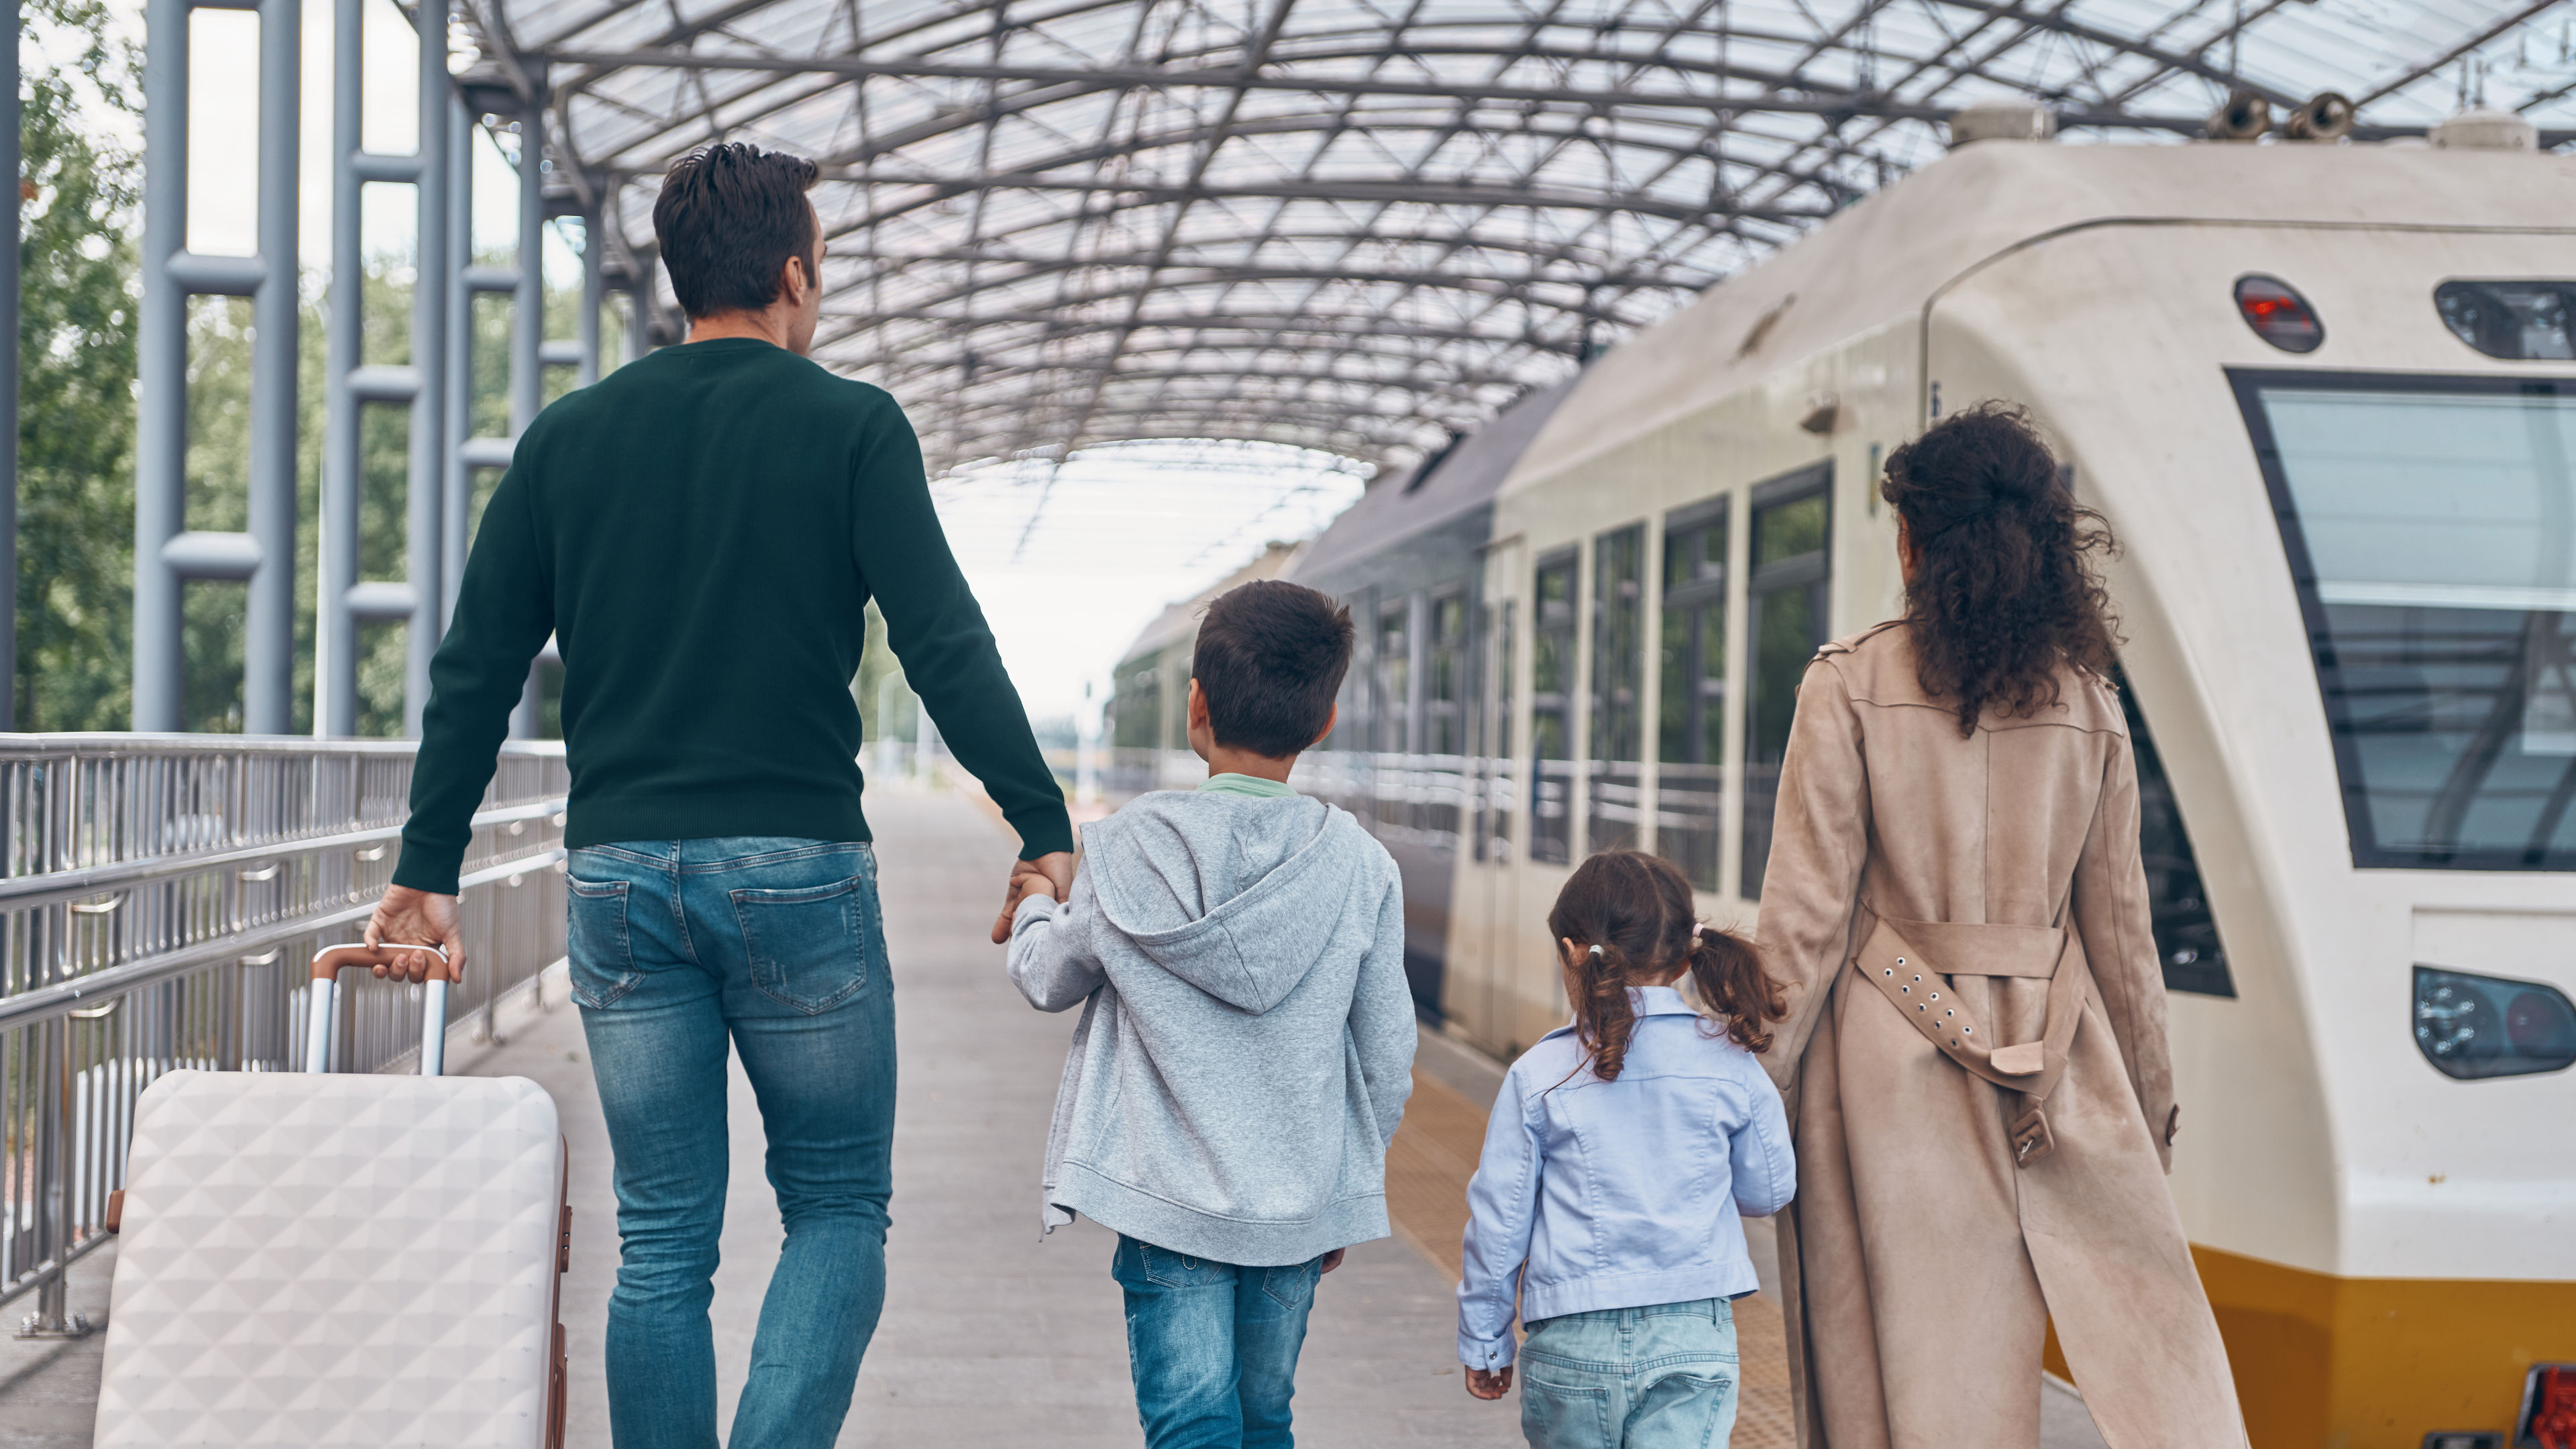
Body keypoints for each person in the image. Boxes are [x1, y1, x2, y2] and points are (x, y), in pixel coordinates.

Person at [363, 142, 1075, 1449]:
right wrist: (1042, 821)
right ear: (793, 275)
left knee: (662, 1240)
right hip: (798, 872)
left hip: (623, 879)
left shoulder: (568, 440)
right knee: (840, 1206)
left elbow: (475, 671)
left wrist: (428, 862)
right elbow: (944, 641)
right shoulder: (852, 426)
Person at [1755, 402, 2246, 1446]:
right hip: (2056, 1067)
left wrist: (1744, 1100)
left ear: (1912, 544)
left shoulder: (1846, 684)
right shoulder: (2091, 704)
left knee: (1897, 1384)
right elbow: (2123, 937)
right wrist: (2145, 1112)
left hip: (1884, 1076)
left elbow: (1802, 922)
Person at [998, 579, 1415, 1449]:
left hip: (1166, 1201)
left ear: (1196, 706)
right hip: (1295, 1205)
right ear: (1325, 719)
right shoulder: (1364, 867)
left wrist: (1039, 898)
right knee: (1266, 1421)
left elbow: (1046, 977)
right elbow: (1385, 1055)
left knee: (1191, 1426)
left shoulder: (1127, 848)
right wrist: (1339, 1189)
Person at [1454, 851, 1794, 1448]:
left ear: (1569, 951)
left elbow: (1500, 1222)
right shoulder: (1732, 1063)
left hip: (1571, 1339)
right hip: (1693, 1333)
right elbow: (1769, 1191)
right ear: (1691, 955)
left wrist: (1486, 1337)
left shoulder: (1540, 1073)